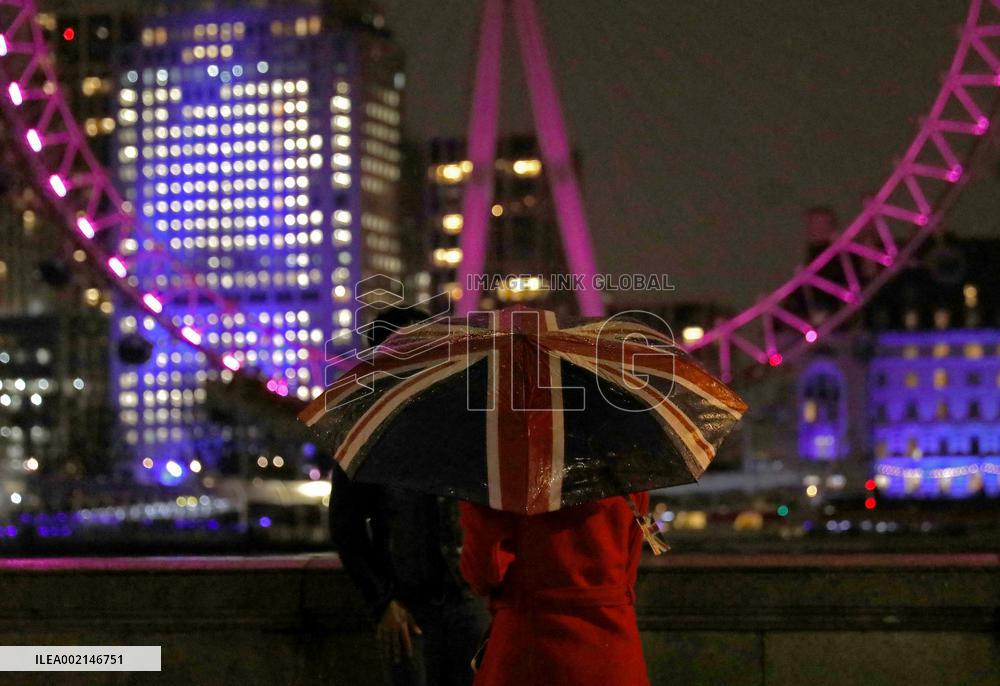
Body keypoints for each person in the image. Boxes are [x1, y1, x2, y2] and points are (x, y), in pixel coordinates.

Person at [331, 306, 488, 686]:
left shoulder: (459, 418)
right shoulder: (366, 433)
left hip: (467, 600)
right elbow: (345, 526)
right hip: (409, 608)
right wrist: (383, 601)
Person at [458, 492, 651, 686]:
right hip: (614, 655)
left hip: (530, 648)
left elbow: (484, 573)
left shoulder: (505, 472)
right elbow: (629, 571)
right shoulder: (629, 468)